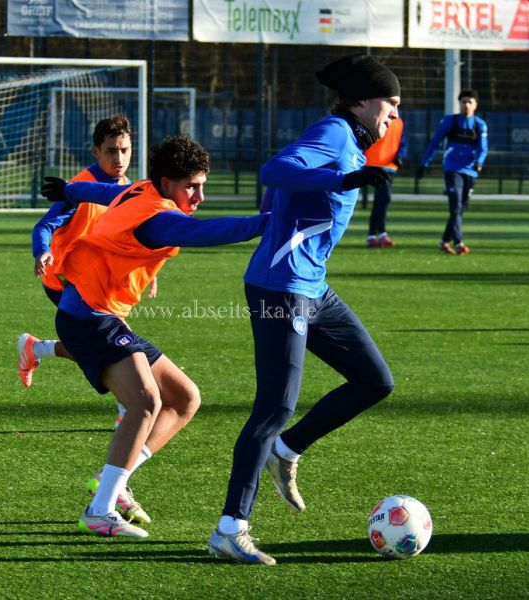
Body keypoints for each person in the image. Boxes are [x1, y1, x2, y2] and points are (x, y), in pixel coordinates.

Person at [208, 54, 399, 565]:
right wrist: (343, 180)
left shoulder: (352, 143)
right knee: (274, 405)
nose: (394, 116)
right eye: (390, 104)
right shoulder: (336, 132)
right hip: (280, 289)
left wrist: (348, 178)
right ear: (362, 101)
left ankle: (285, 452)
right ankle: (231, 528)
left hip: (312, 289)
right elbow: (275, 169)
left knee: (375, 380)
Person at [46, 135, 270, 538]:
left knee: (185, 398)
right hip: (89, 319)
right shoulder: (157, 218)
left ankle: (111, 478)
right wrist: (267, 222)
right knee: (146, 401)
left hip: (101, 316)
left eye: (202, 184)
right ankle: (101, 509)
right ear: (167, 183)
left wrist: (67, 190)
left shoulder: (138, 189)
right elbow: (212, 232)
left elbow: (97, 190)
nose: (200, 194)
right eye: (192, 186)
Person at [18, 115, 135, 396]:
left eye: (124, 150)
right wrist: (42, 251)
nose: (119, 158)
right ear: (96, 152)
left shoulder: (126, 185)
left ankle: (35, 348)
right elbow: (44, 225)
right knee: (120, 347)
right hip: (65, 281)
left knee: (100, 345)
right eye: (111, 151)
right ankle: (129, 409)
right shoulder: (78, 189)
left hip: (101, 281)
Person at [416, 90, 488, 255]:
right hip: (452, 169)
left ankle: (444, 242)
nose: (466, 105)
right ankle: (459, 242)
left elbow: (483, 148)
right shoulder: (449, 121)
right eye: (464, 101)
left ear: (476, 105)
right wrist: (424, 163)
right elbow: (435, 143)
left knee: (459, 209)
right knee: (455, 206)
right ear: (459, 103)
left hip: (470, 172)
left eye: (470, 102)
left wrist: (479, 163)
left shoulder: (480, 124)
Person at [364, 117, 406, 248]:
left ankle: (375, 235)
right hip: (375, 164)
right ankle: (377, 235)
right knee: (384, 198)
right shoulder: (376, 118)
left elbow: (402, 142)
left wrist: (400, 155)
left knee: (381, 201)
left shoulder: (399, 122)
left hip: (390, 166)